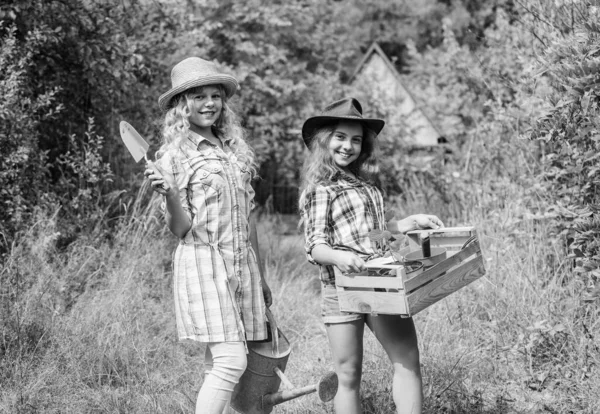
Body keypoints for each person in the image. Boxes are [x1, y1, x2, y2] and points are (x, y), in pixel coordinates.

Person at [298, 97, 444, 414]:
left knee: (407, 358)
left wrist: (405, 224)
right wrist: (339, 257)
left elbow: (371, 235)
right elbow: (315, 246)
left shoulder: (367, 185)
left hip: (379, 283)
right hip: (341, 289)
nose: (348, 146)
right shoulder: (321, 189)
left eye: (356, 139)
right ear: (324, 140)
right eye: (340, 137)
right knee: (348, 375)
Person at [144, 57, 272, 414]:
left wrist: (259, 275)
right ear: (181, 105)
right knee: (232, 362)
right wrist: (169, 194)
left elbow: (249, 219)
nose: (209, 103)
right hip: (204, 264)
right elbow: (180, 230)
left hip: (240, 264)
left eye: (215, 95)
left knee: (218, 362)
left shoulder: (233, 150)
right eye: (198, 96)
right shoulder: (174, 156)